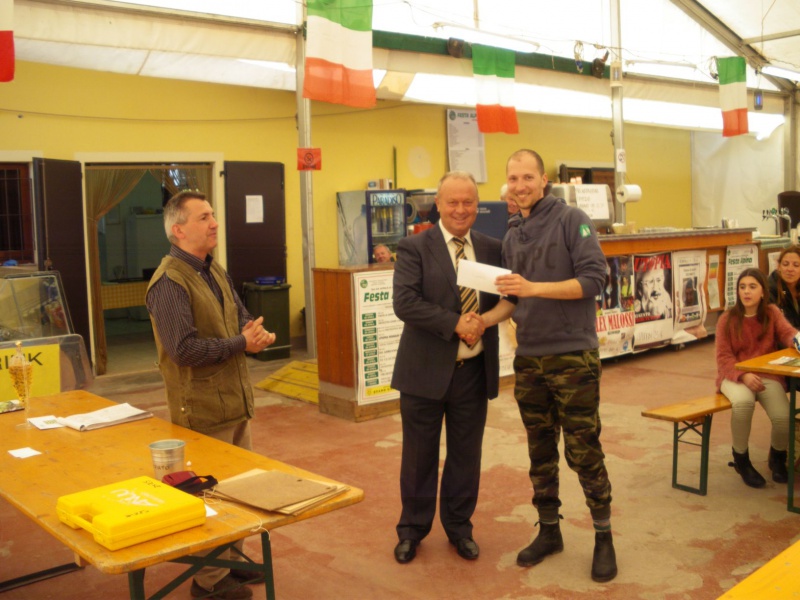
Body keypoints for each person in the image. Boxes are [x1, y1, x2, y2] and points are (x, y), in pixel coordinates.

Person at [480, 149, 617, 583]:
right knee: (540, 451)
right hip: (530, 359)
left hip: (572, 355)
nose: (519, 186)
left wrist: (534, 287)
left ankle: (603, 536)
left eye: (527, 177)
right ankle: (549, 531)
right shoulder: (512, 233)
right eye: (513, 178)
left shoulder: (572, 219)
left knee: (583, 450)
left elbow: (595, 280)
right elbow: (513, 298)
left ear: (543, 180)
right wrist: (480, 321)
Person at [146, 190, 276, 600]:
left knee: (237, 493)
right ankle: (208, 584)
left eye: (213, 215)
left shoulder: (212, 269)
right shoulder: (169, 282)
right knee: (208, 498)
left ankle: (232, 563)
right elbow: (183, 350)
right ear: (178, 230)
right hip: (201, 410)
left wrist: (255, 334)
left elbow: (239, 317)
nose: (214, 223)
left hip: (234, 402)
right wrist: (241, 343)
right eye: (203, 217)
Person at [391, 171, 502, 564]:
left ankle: (459, 527)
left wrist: (483, 321)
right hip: (423, 372)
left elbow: (505, 300)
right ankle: (411, 530)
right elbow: (405, 303)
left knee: (465, 457)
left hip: (473, 372)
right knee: (418, 458)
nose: (460, 209)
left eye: (468, 202)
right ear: (437, 204)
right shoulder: (414, 247)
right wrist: (455, 323)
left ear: (477, 205)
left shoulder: (491, 248)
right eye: (452, 202)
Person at [716, 268, 799, 488]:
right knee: (743, 404)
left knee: (783, 417)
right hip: (734, 376)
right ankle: (741, 460)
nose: (746, 291)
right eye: (742, 287)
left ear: (763, 292)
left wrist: (797, 340)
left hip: (766, 374)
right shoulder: (727, 319)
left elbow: (787, 333)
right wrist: (743, 375)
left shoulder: (772, 312)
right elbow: (723, 358)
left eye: (752, 287)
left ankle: (777, 457)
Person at [768, 245, 800, 328]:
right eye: (785, 264)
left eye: (796, 265)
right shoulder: (770, 290)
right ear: (779, 267)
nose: (790, 269)